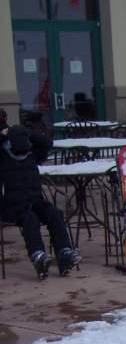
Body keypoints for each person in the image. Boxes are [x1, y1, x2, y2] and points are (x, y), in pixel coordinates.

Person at [0, 112, 78, 279]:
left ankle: (64, 253)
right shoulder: (3, 156)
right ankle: (38, 255)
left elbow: (46, 143)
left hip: (35, 200)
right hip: (11, 206)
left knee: (54, 214)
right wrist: (4, 135)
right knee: (30, 219)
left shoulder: (32, 155)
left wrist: (27, 132)